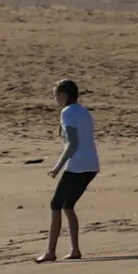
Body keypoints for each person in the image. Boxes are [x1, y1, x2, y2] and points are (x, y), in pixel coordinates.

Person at [37, 79, 99, 263]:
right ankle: (75, 249)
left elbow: (73, 143)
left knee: (55, 205)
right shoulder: (83, 111)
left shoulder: (67, 112)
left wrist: (57, 167)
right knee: (68, 205)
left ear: (63, 96)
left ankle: (50, 252)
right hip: (92, 165)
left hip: (77, 166)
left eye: (56, 96)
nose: (55, 100)